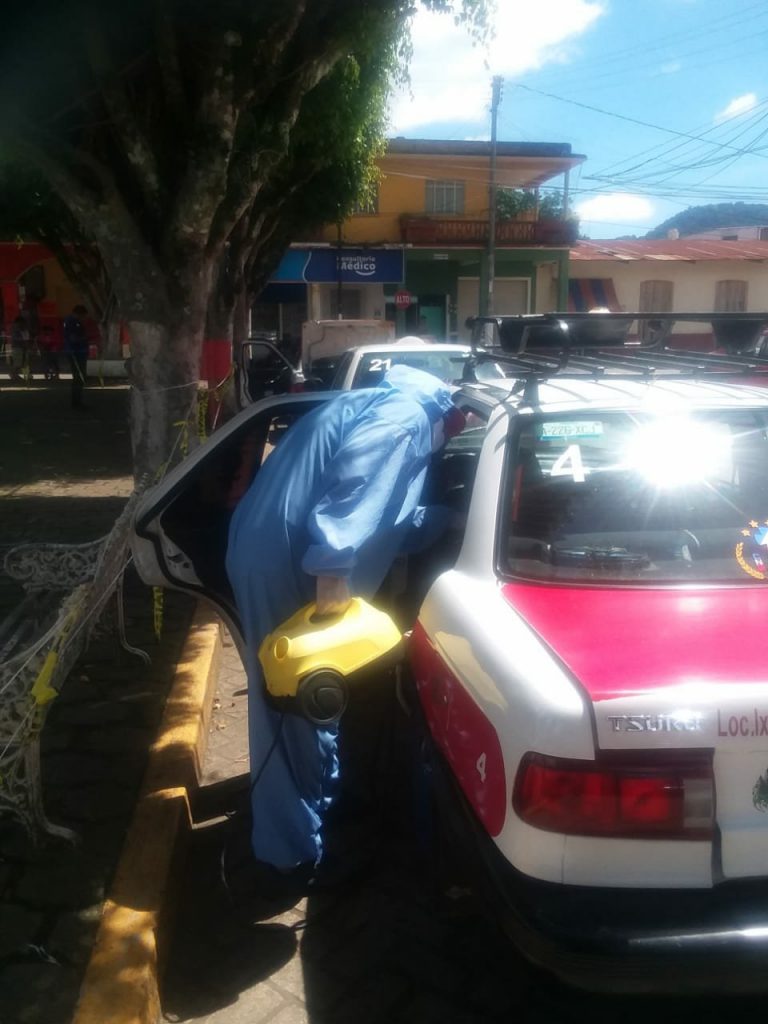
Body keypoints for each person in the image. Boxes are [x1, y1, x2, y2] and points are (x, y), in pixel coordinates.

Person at [225, 365, 466, 878]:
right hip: (294, 565)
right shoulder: (408, 415)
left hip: (272, 550)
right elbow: (357, 481)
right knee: (296, 704)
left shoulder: (377, 404)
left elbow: (390, 514)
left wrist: (451, 519)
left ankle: (300, 826)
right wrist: (332, 570)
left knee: (287, 701)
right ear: (455, 410)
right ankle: (292, 855)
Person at [62, 304, 92, 408]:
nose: (84, 318)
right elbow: (73, 338)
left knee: (79, 377)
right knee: (79, 377)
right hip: (76, 352)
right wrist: (86, 338)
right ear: (79, 314)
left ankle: (77, 400)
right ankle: (76, 402)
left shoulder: (73, 321)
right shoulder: (72, 322)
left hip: (78, 351)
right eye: (83, 316)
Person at [9, 316, 29, 381]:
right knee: (17, 363)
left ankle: (15, 375)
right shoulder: (16, 330)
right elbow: (16, 338)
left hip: (21, 348)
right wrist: (23, 341)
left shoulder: (21, 330)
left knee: (20, 363)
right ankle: (13, 375)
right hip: (17, 348)